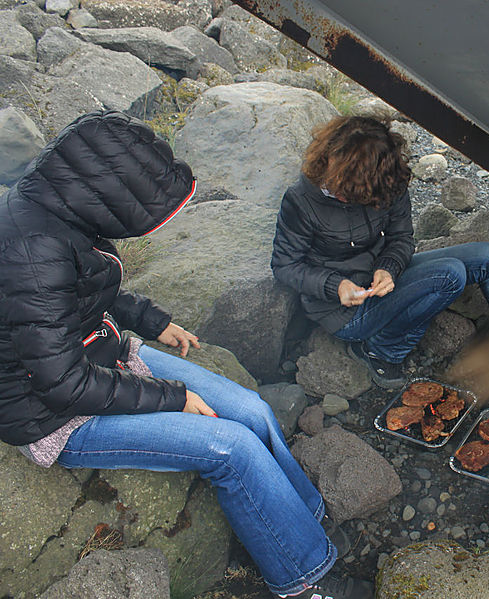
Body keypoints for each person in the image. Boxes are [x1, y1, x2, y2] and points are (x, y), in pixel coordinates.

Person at [0, 111, 371, 599]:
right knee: (230, 448)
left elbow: (82, 294)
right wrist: (173, 398)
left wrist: (155, 322)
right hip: (53, 412)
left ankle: (301, 521)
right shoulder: (32, 250)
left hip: (100, 353)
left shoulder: (56, 205)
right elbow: (63, 384)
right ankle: (304, 581)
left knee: (252, 410)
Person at [270, 115, 489, 389]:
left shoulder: (385, 180)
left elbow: (402, 237)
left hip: (384, 280)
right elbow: (284, 265)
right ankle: (381, 349)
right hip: (344, 312)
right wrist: (335, 285)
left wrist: (388, 266)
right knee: (450, 275)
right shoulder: (302, 200)